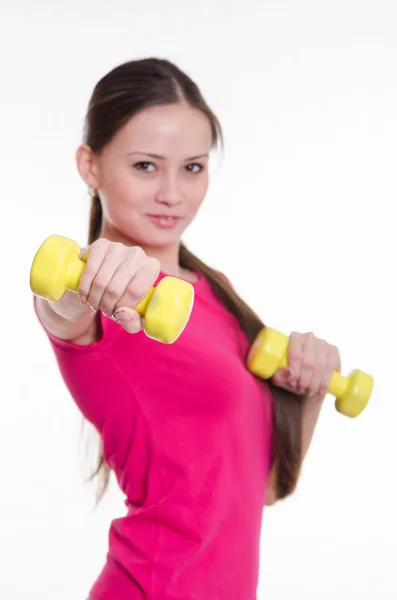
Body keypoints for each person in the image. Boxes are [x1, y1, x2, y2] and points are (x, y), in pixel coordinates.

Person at [33, 58, 341, 600]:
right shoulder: (95, 294)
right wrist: (88, 280)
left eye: (193, 168)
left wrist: (312, 389)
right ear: (90, 166)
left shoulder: (213, 289)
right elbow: (59, 310)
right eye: (147, 166)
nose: (173, 193)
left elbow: (262, 489)